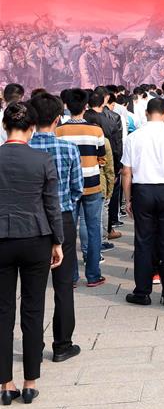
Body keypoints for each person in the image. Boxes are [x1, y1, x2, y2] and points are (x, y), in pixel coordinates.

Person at [0, 102, 65, 405]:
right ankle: (30, 380)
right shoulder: (42, 159)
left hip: (2, 238)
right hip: (36, 237)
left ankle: (5, 383)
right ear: (30, 128)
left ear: (5, 127)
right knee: (33, 309)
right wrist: (58, 241)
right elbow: (52, 204)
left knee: (2, 312)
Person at [28, 93, 83, 363]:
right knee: (63, 284)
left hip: (32, 223)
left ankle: (33, 346)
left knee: (33, 287)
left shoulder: (24, 149)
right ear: (58, 119)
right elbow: (77, 189)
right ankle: (62, 344)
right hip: (63, 218)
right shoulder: (69, 148)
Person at [122, 97, 164, 307]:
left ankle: (142, 292)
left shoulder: (134, 137)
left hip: (142, 191)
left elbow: (126, 172)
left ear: (146, 113)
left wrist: (127, 199)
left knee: (143, 242)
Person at [56, 89, 107, 288]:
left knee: (69, 231)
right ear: (86, 106)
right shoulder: (96, 130)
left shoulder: (59, 131)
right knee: (94, 230)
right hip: (92, 184)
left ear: (66, 106)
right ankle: (93, 275)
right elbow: (102, 157)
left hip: (68, 187)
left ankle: (71, 276)